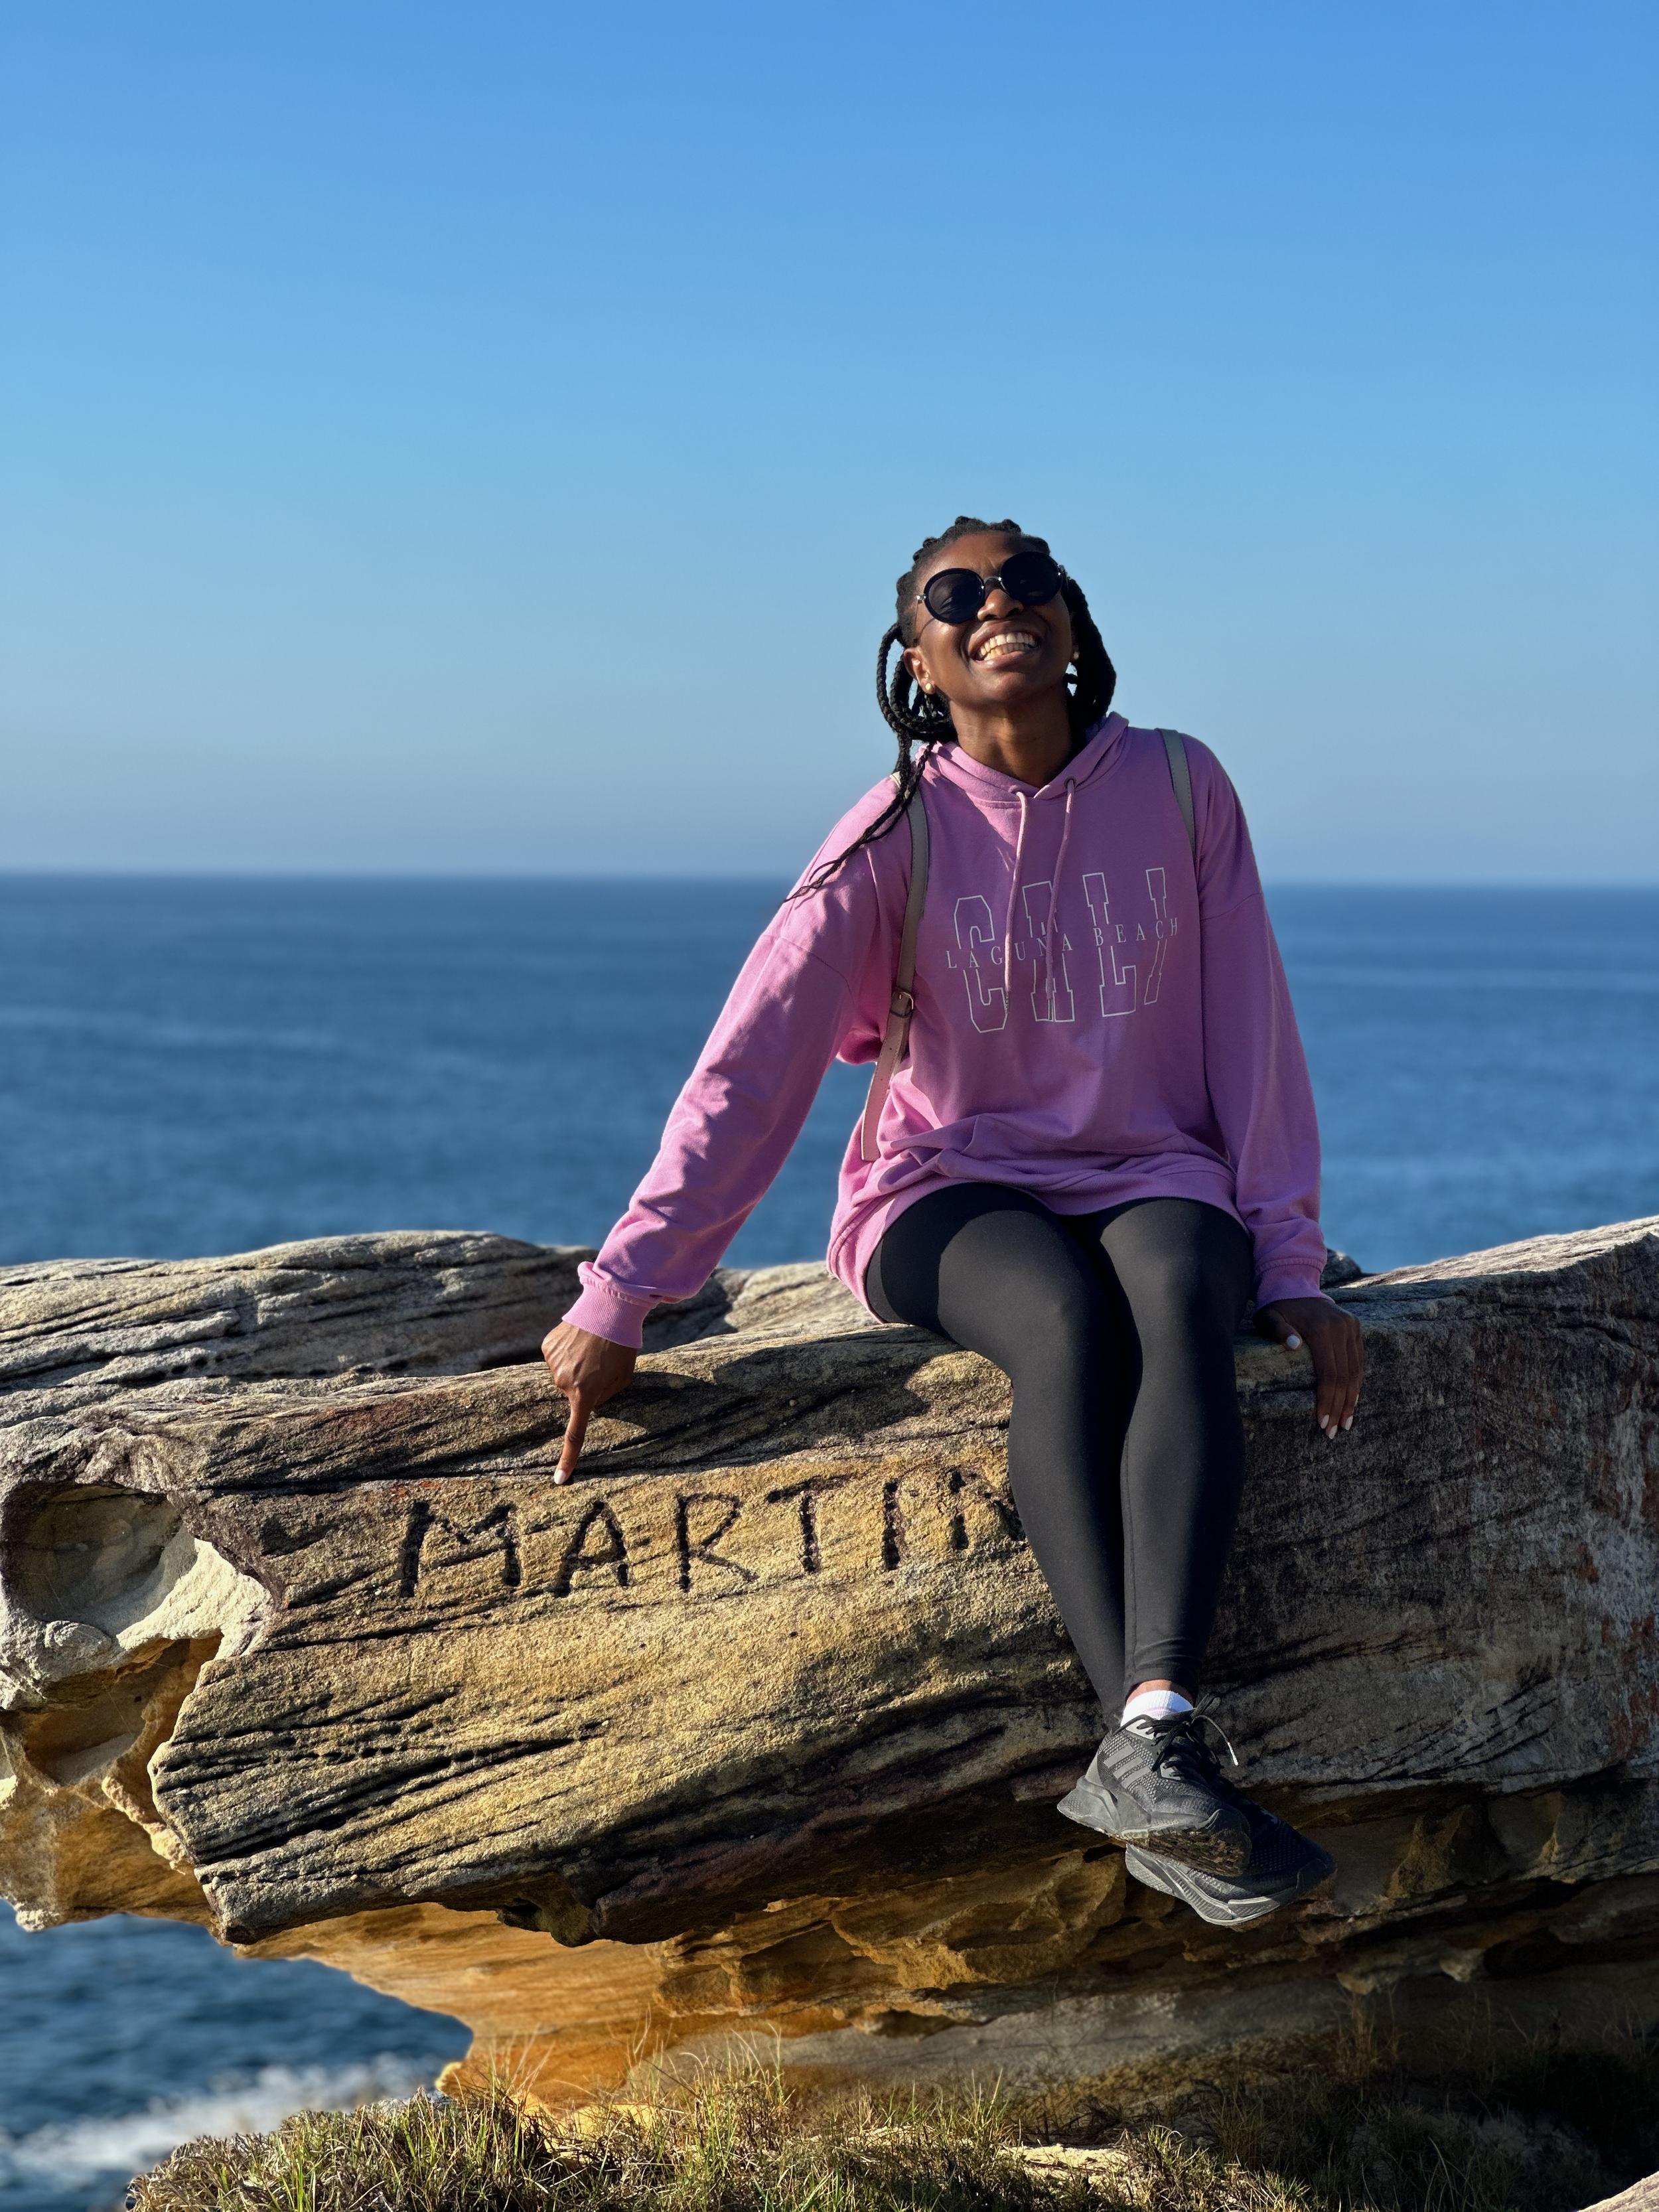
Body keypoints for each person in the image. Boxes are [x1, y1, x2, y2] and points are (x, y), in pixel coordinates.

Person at [541, 516, 1363, 1927]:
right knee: (1056, 1313)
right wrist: (624, 1293)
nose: (1001, 604)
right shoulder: (891, 832)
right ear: (914, 658)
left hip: (1150, 1167)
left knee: (1178, 1288)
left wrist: (1285, 1255)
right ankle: (1155, 1756)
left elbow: (1253, 1039)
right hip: (941, 1187)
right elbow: (752, 1065)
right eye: (957, 593)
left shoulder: (1177, 787)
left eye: (1028, 578)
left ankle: (1146, 1733)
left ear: (1074, 620)